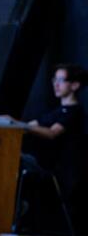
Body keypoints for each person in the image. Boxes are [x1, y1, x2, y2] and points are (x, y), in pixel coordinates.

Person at [22, 64, 86, 208]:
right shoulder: (55, 111)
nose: (56, 84)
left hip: (61, 170)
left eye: (61, 80)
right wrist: (7, 122)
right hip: (45, 164)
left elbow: (52, 133)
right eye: (54, 80)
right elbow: (30, 124)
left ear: (75, 85)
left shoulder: (74, 111)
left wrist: (22, 126)